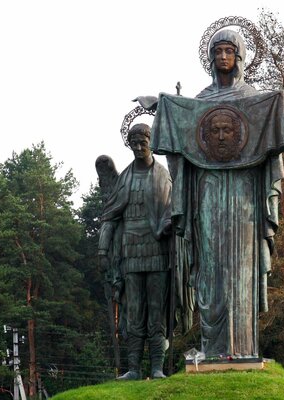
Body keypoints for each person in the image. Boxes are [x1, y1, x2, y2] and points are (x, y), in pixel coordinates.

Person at [150, 29, 284, 359]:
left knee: (240, 267)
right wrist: (166, 108)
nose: (223, 56)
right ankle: (212, 348)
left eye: (229, 50)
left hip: (243, 194)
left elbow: (269, 147)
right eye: (217, 51)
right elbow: (183, 144)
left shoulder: (254, 100)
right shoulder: (202, 101)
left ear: (240, 56)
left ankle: (242, 348)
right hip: (208, 192)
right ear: (211, 58)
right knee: (211, 266)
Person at [97, 123, 172, 379]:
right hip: (130, 253)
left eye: (143, 142)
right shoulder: (125, 178)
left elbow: (175, 209)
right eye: (134, 144)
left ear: (151, 142)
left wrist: (169, 223)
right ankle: (134, 369)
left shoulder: (162, 175)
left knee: (156, 310)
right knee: (133, 312)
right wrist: (103, 250)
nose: (139, 148)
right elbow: (110, 216)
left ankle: (157, 367)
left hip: (157, 251)